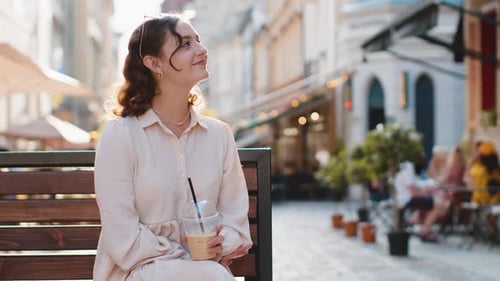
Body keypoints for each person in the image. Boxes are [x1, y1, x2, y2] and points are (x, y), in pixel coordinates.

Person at [93, 13, 252, 280]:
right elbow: (123, 237)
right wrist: (185, 253)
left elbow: (235, 222)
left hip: (204, 269)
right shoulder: (120, 135)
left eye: (198, 41)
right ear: (154, 63)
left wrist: (219, 244)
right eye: (186, 44)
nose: (202, 50)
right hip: (135, 270)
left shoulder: (219, 135)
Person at [394, 161, 450, 242]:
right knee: (439, 204)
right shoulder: (407, 167)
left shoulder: (404, 166)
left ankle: (417, 223)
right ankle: (424, 231)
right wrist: (426, 195)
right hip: (406, 199)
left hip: (404, 199)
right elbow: (413, 192)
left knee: (438, 203)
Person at [468, 141, 500, 205]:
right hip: (494, 204)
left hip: (480, 204)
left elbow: (470, 187)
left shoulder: (478, 171)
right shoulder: (497, 172)